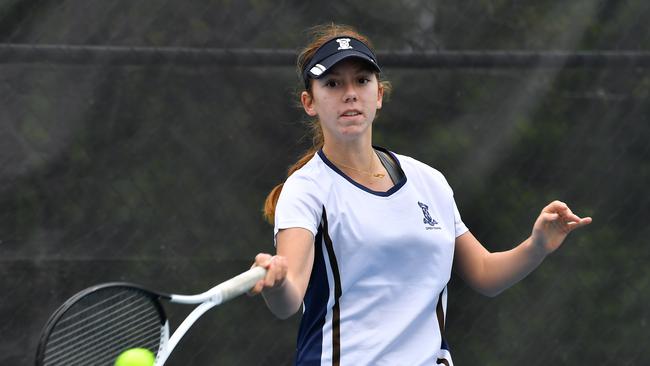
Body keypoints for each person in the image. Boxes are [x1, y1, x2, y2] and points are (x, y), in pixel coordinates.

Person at [248, 24, 592, 366]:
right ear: (310, 102)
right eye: (333, 84)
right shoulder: (306, 190)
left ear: (379, 95)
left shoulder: (429, 182)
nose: (350, 93)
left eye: (362, 81)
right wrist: (276, 283)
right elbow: (289, 297)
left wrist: (537, 247)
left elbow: (485, 273)